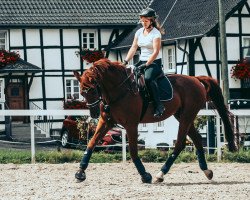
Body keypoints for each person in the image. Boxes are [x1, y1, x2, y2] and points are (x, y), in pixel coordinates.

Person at [123, 8, 165, 117]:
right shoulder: (139, 32)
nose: (143, 23)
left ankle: (159, 105)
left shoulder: (156, 34)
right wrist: (125, 61)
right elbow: (133, 47)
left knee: (148, 79)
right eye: (142, 21)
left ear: (152, 21)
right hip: (141, 61)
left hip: (154, 63)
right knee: (127, 76)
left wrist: (146, 65)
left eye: (146, 21)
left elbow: (156, 52)